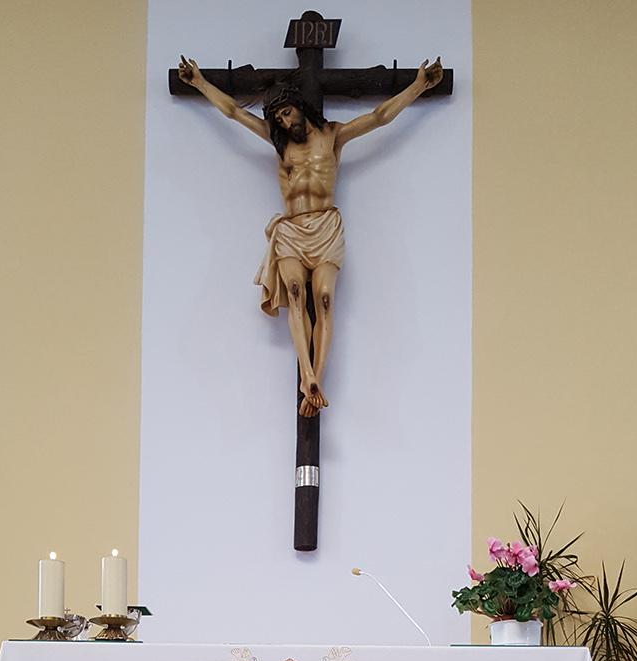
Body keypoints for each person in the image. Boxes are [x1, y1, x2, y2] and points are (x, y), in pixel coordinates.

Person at [177, 56, 443, 418]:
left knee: (325, 298)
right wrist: (198, 83)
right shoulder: (279, 144)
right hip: (290, 228)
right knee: (297, 295)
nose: (286, 122)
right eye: (279, 119)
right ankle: (309, 378)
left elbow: (379, 117)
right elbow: (235, 114)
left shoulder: (333, 136)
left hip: (325, 226)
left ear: (299, 107)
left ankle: (317, 378)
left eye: (288, 113)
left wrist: (419, 85)